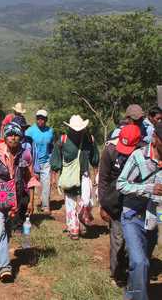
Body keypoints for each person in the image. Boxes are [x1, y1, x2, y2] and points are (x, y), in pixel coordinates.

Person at [0, 122, 39, 282]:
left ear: (21, 137)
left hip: (15, 199)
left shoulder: (25, 155)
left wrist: (31, 201)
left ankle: (0, 253)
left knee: (7, 229)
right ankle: (5, 267)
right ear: (5, 136)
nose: (13, 137)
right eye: (10, 134)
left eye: (16, 135)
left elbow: (29, 178)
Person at [116, 122, 162, 300]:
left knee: (144, 263)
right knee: (139, 262)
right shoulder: (139, 156)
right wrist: (148, 188)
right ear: (156, 139)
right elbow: (121, 184)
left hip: (153, 218)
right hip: (132, 216)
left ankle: (132, 293)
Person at [98, 125, 142, 287]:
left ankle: (132, 273)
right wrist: (102, 205)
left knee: (133, 241)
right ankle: (116, 274)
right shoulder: (110, 151)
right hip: (114, 203)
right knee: (117, 239)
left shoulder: (144, 153)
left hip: (136, 204)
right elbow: (102, 180)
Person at [51, 115, 99, 240]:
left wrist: (96, 174)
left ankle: (81, 220)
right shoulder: (63, 140)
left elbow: (94, 158)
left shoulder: (89, 139)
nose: (78, 132)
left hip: (84, 175)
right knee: (70, 201)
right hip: (69, 176)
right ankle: (73, 229)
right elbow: (56, 159)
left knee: (87, 201)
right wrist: (54, 177)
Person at [25, 110, 54, 214]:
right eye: (38, 118)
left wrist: (51, 158)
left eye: (42, 119)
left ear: (46, 120)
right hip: (33, 163)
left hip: (46, 161)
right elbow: (26, 147)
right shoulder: (30, 131)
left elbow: (51, 146)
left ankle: (45, 206)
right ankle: (29, 204)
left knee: (46, 183)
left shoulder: (50, 131)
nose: (40, 120)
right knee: (32, 184)